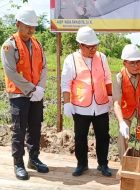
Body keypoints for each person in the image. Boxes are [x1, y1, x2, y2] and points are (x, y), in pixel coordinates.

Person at [0, 7, 49, 180]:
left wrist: (40, 88)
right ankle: (18, 163)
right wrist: (32, 89)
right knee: (19, 130)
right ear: (18, 24)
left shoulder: (37, 43)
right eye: (27, 26)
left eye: (33, 27)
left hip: (36, 94)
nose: (31, 30)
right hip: (19, 95)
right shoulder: (9, 45)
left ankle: (33, 159)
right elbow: (11, 72)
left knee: (35, 128)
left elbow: (44, 66)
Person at [61, 26, 112, 177]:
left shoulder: (102, 57)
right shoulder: (71, 60)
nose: (93, 49)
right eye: (89, 46)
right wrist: (67, 103)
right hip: (81, 107)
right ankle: (82, 164)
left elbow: (108, 78)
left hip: (101, 105)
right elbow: (66, 83)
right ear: (80, 45)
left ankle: (103, 164)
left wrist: (109, 97)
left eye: (95, 46)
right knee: (80, 137)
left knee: (103, 136)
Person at [113, 44, 140, 159]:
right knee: (122, 136)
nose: (136, 65)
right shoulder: (119, 77)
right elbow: (116, 103)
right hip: (127, 111)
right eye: (132, 63)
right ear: (124, 63)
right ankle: (124, 163)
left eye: (138, 62)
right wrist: (121, 122)